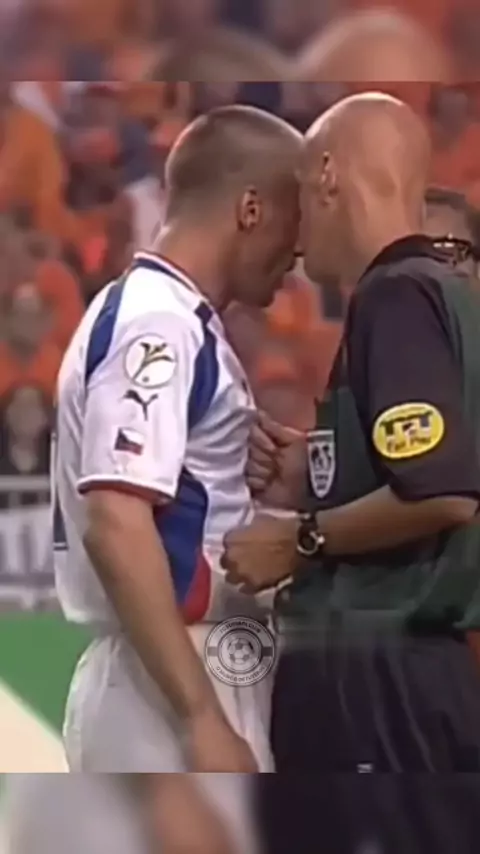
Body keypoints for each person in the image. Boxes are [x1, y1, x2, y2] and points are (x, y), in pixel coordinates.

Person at [222, 92, 480, 776]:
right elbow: (426, 459)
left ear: (329, 175)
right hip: (407, 674)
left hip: (383, 677)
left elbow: (442, 490)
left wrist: (299, 539)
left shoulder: (396, 293)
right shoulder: (444, 292)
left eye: (300, 196)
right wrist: (324, 473)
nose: (297, 235)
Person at [52, 105, 301, 780]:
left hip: (185, 666)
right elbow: (116, 521)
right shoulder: (156, 324)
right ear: (251, 209)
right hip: (164, 683)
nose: (300, 252)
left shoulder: (177, 318)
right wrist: (200, 720)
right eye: (295, 218)